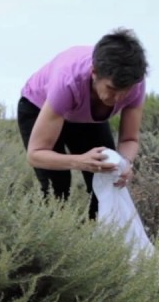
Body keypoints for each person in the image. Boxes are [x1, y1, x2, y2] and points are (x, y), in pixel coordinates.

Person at [17, 28, 148, 219]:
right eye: (112, 89)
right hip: (38, 106)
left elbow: (129, 138)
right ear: (94, 72)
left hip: (85, 114)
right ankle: (55, 243)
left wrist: (125, 163)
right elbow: (35, 155)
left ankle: (100, 243)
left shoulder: (135, 84)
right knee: (57, 188)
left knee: (108, 177)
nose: (118, 98)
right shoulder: (67, 81)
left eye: (124, 90)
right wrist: (80, 161)